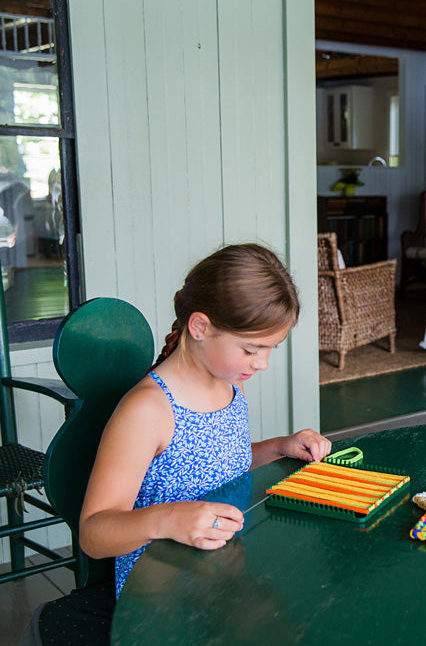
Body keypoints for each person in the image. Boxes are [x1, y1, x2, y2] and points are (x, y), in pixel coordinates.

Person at [79, 243, 332, 598]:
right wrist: (167, 519)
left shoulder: (231, 384)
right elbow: (94, 533)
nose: (263, 364)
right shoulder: (147, 411)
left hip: (223, 571)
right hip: (160, 592)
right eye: (251, 349)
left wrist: (280, 446)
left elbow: (222, 463)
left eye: (271, 348)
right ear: (199, 326)